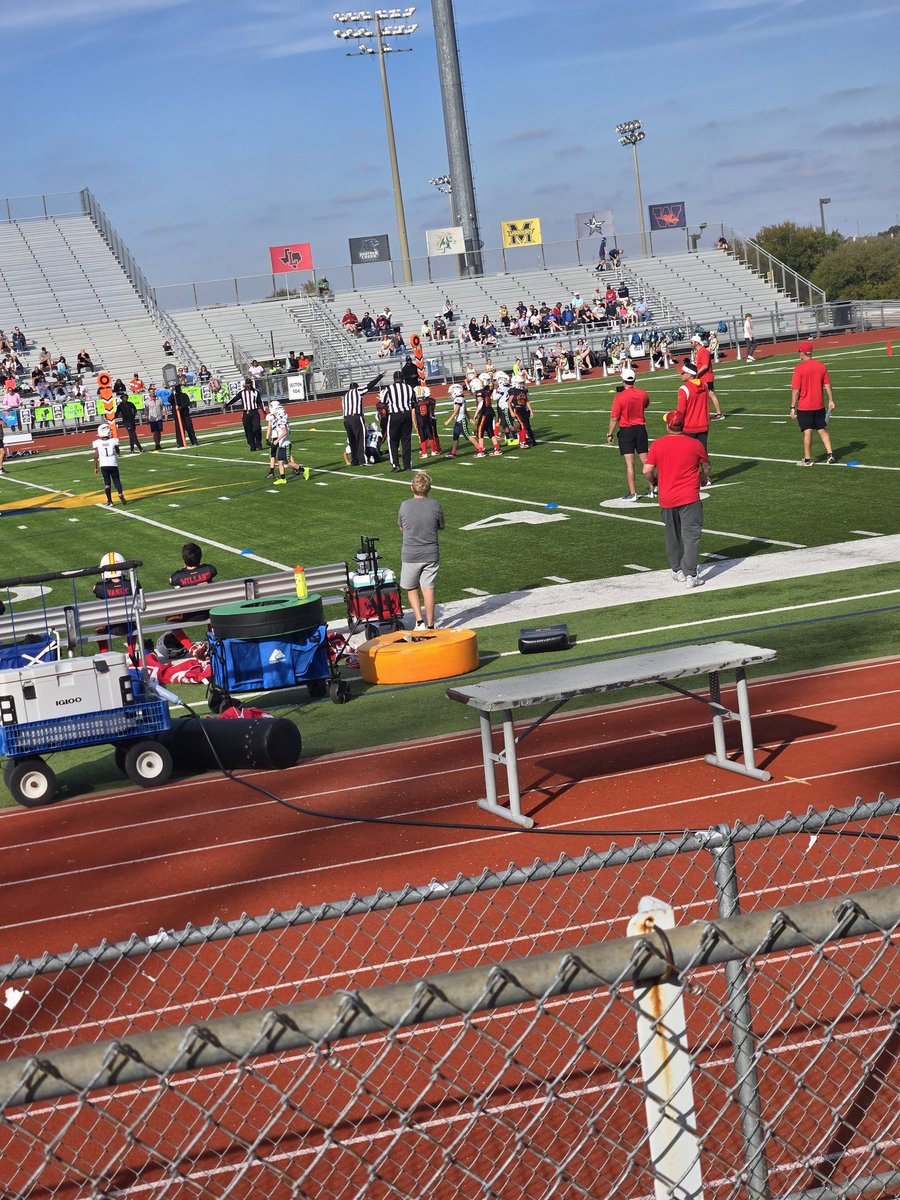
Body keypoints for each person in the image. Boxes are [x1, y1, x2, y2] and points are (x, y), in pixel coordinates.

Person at [643, 410, 711, 589]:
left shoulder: (658, 444)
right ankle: (690, 574)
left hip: (667, 497)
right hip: (689, 496)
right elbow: (706, 465)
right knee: (691, 536)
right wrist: (705, 478)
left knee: (672, 534)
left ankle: (676, 570)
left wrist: (654, 481)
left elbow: (646, 470)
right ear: (683, 425)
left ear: (668, 426)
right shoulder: (694, 444)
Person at [397, 470, 445, 629]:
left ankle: (420, 622)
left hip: (410, 553)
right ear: (429, 488)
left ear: (412, 488)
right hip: (430, 552)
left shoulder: (404, 505)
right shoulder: (435, 505)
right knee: (428, 588)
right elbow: (441, 526)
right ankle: (431, 625)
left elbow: (402, 527)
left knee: (411, 588)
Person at [607, 370, 652, 501]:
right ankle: (652, 488)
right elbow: (646, 405)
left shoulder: (619, 397)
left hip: (627, 430)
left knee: (630, 464)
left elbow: (614, 418)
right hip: (640, 429)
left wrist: (610, 433)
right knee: (646, 460)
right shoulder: (643, 393)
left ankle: (633, 493)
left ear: (623, 381)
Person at [791, 342, 836, 466]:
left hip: (805, 406)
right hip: (819, 404)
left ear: (803, 353)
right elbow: (827, 384)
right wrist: (831, 400)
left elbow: (795, 390)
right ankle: (830, 454)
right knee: (821, 429)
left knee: (807, 431)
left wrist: (792, 407)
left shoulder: (799, 368)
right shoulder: (821, 366)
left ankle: (807, 459)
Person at [264, 401, 310, 485]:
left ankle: (303, 469)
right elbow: (268, 418)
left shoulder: (281, 421)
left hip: (286, 444)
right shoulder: (280, 419)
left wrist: (277, 440)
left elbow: (285, 432)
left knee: (287, 462)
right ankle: (283, 479)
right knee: (280, 461)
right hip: (282, 444)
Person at [342, 374, 382, 467]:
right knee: (361, 437)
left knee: (352, 440)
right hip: (356, 417)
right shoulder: (357, 391)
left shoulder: (345, 396)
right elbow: (369, 386)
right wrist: (379, 377)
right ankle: (362, 459)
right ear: (356, 387)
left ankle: (354, 460)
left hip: (346, 419)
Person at [380, 370, 416, 472]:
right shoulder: (409, 388)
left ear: (394, 379)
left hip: (395, 415)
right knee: (406, 440)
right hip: (407, 414)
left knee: (393, 440)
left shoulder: (389, 389)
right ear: (403, 378)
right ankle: (407, 465)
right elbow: (414, 403)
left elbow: (383, 403)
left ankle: (396, 465)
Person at [675, 360, 712, 459]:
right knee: (703, 455)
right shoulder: (705, 385)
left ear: (689, 375)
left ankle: (691, 474)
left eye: (683, 373)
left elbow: (681, 411)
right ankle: (706, 475)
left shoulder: (684, 389)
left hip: (689, 427)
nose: (681, 375)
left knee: (687, 455)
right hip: (703, 424)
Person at [93, 424, 127, 507]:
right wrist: (118, 452)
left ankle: (109, 501)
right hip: (113, 463)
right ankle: (120, 493)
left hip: (104, 465)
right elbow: (117, 449)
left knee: (107, 483)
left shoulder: (97, 443)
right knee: (116, 480)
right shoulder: (114, 441)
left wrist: (96, 467)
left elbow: (96, 456)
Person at [690, 334, 723, 419]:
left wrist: (696, 373)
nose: (691, 343)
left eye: (692, 342)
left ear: (696, 342)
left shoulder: (703, 351)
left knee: (711, 394)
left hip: (706, 377)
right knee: (701, 396)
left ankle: (719, 413)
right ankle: (703, 413)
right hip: (701, 377)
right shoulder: (699, 352)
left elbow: (705, 366)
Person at [236, 376, 265, 450]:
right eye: (247, 383)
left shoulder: (256, 392)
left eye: (250, 383)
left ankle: (258, 444)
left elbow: (260, 402)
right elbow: (234, 399)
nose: (249, 385)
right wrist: (226, 405)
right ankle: (252, 445)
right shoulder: (242, 393)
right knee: (248, 429)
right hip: (246, 413)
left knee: (257, 427)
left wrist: (264, 412)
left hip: (254, 412)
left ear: (251, 384)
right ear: (245, 384)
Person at [413, 385, 441, 458]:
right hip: (428, 420)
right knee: (430, 435)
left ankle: (425, 453)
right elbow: (431, 406)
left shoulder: (415, 403)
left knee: (423, 436)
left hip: (420, 422)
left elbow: (413, 412)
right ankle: (433, 451)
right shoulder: (428, 402)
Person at [144, 385, 166, 451]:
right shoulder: (147, 401)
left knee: (159, 432)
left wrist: (165, 414)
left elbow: (163, 407)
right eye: (151, 392)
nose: (153, 393)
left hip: (159, 417)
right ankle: (156, 444)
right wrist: (146, 418)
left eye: (153, 391)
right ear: (149, 393)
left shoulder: (159, 399)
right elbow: (146, 411)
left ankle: (158, 444)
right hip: (152, 419)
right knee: (155, 432)